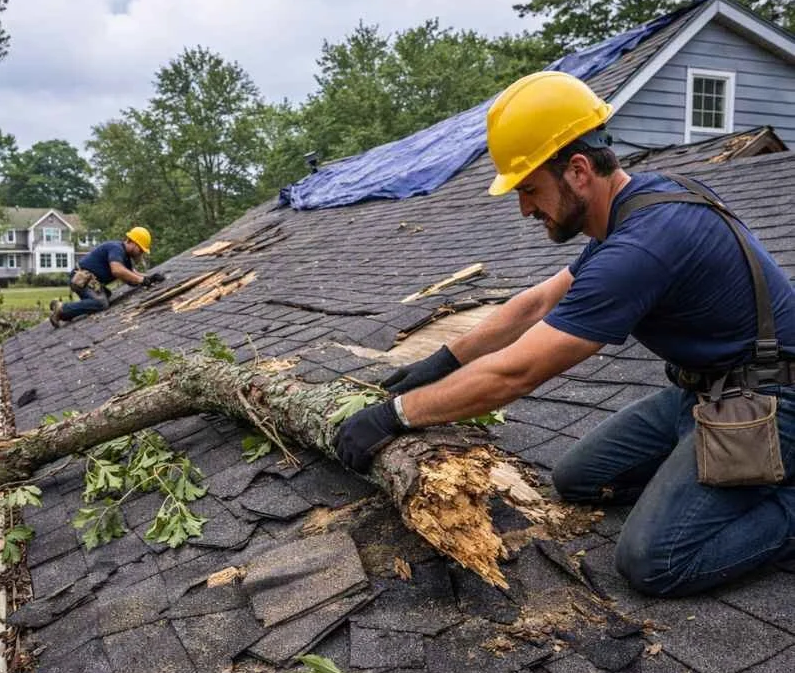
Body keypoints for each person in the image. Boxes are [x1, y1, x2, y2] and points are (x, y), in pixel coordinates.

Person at [335, 71, 795, 597]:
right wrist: (442, 360)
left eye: (530, 188)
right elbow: (537, 301)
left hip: (771, 403)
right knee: (578, 479)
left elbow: (518, 371)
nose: (525, 208)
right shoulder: (631, 211)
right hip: (704, 392)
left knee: (654, 561)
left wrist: (395, 416)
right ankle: (707, 470)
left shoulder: (643, 247)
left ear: (578, 170)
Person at [49, 226, 165, 327]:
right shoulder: (116, 248)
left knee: (106, 296)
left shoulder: (125, 258)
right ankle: (62, 309)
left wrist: (150, 278)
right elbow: (117, 270)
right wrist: (142, 280)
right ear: (133, 242)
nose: (141, 253)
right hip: (81, 278)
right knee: (101, 303)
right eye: (141, 250)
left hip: (90, 281)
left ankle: (65, 313)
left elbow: (132, 276)